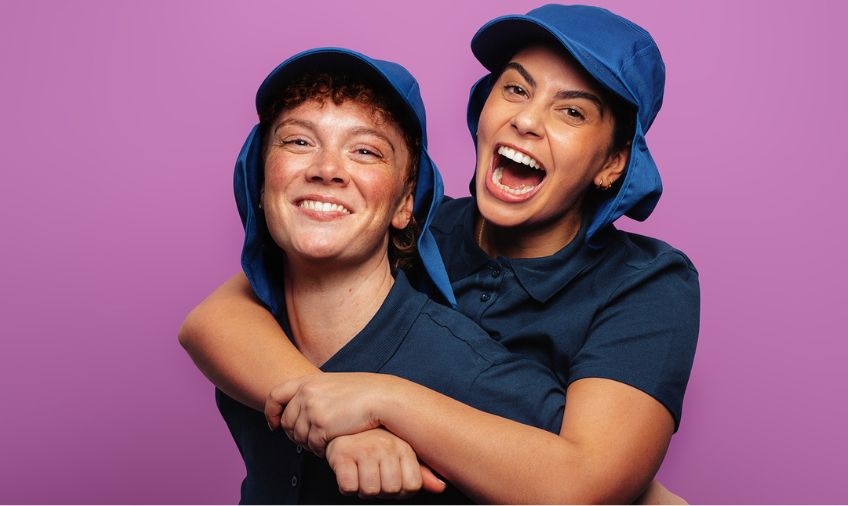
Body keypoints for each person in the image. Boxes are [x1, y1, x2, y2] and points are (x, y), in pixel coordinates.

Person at [181, 5, 699, 504]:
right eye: (515, 89)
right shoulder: (405, 226)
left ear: (613, 163)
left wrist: (383, 399)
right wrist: (338, 422)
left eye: (571, 111)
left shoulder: (646, 283)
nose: (526, 120)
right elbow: (218, 318)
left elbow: (584, 482)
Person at [207, 47, 568, 503]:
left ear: (404, 204)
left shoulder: (468, 369)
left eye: (365, 151)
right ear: (259, 182)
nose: (326, 170)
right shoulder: (245, 341)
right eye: (299, 141)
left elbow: (590, 483)